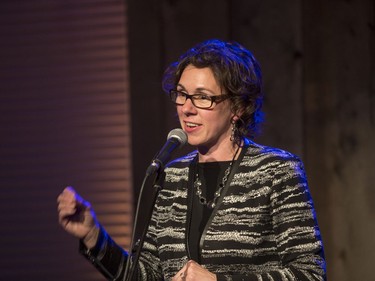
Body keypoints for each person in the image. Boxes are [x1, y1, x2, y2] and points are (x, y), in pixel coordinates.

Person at [57, 39, 326, 280]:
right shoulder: (171, 176)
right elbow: (146, 275)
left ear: (238, 107)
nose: (186, 108)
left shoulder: (276, 171)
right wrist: (94, 237)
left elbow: (309, 273)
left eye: (201, 97)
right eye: (182, 94)